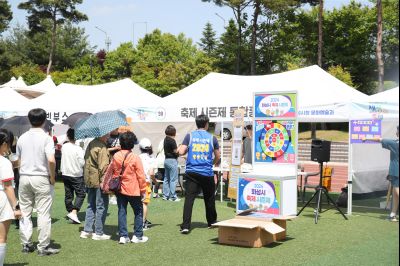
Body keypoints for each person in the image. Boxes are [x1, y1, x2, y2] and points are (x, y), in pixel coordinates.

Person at [16, 108, 60, 256]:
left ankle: (26, 244)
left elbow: (18, 160)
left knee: (25, 213)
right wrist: (53, 177)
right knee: (43, 213)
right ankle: (43, 246)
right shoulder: (46, 138)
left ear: (30, 120)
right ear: (44, 120)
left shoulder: (22, 137)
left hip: (24, 177)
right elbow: (51, 160)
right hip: (41, 177)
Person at [178, 114, 220, 234]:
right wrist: (212, 163)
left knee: (189, 199)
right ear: (206, 124)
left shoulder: (189, 136)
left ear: (197, 124)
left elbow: (181, 151)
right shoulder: (212, 138)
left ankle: (186, 225)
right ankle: (211, 222)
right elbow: (218, 156)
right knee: (209, 198)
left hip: (192, 172)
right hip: (207, 173)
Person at [110, 132, 147, 244]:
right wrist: (143, 190)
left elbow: (113, 171)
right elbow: (141, 176)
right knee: (138, 211)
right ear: (132, 144)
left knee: (122, 211)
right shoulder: (135, 157)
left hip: (119, 188)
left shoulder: (116, 156)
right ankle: (137, 236)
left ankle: (123, 236)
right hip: (133, 189)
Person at [364, 126, 399, 222]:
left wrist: (366, 138)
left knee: (397, 192)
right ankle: (393, 214)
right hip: (395, 172)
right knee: (395, 194)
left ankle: (393, 214)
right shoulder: (394, 142)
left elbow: (379, 139)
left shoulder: (394, 143)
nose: (396, 131)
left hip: (396, 172)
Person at [80, 133, 111, 240]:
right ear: (103, 134)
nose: (109, 135)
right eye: (107, 134)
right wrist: (105, 182)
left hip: (89, 179)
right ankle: (98, 232)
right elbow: (104, 167)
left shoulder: (91, 143)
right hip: (98, 180)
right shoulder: (101, 147)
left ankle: (87, 230)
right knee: (101, 205)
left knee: (91, 205)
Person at [0, 130, 22, 265]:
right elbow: (8, 186)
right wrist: (16, 207)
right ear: (3, 144)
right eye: (8, 144)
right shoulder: (4, 162)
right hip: (1, 198)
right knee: (1, 237)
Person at [60, 128, 85, 224]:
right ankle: (74, 212)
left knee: (68, 194)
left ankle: (71, 212)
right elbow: (82, 163)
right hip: (76, 174)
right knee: (81, 194)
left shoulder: (64, 146)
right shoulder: (78, 149)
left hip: (65, 173)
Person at [138, 138, 158, 230]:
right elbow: (151, 173)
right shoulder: (152, 159)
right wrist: (155, 182)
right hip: (146, 182)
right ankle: (142, 223)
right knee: (144, 203)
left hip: (137, 182)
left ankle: (142, 220)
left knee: (139, 203)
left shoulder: (137, 157)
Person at [163, 125, 180, 202]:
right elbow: (175, 152)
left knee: (166, 179)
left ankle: (165, 195)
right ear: (173, 132)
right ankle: (172, 196)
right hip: (172, 160)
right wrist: (179, 150)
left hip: (166, 160)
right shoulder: (172, 140)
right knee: (173, 179)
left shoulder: (165, 139)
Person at [106, 129, 121, 205]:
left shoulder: (121, 136)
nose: (116, 130)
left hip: (120, 160)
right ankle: (111, 196)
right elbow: (105, 149)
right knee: (111, 178)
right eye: (114, 128)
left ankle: (119, 195)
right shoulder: (108, 138)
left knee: (119, 177)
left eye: (117, 128)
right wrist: (115, 148)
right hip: (111, 160)